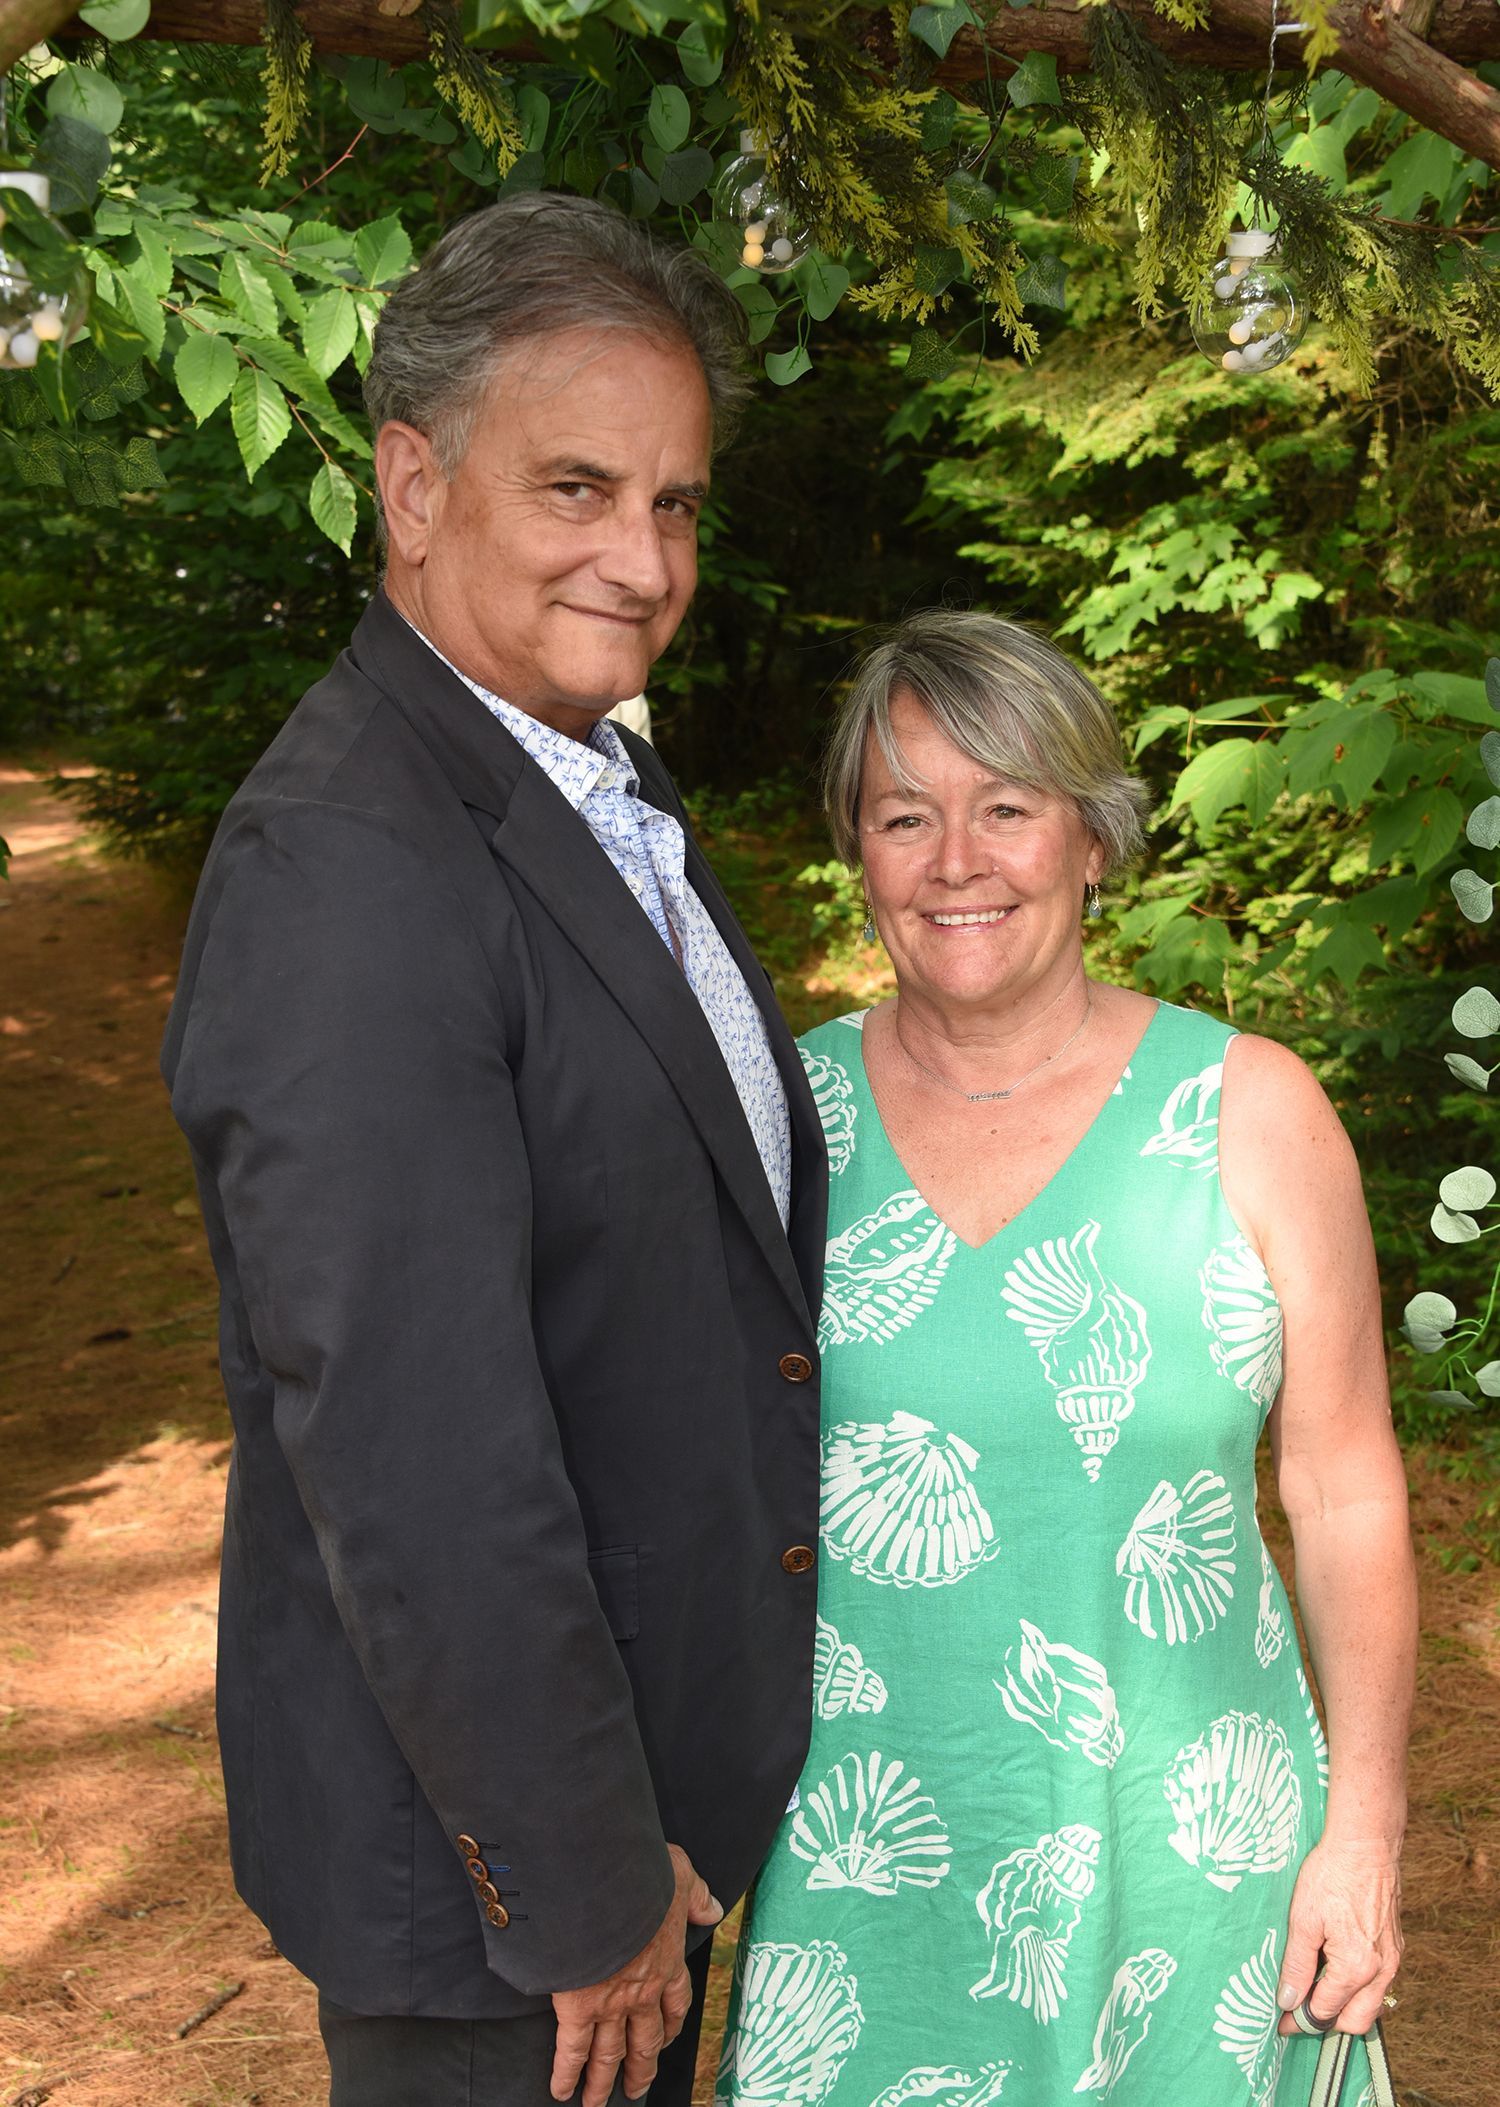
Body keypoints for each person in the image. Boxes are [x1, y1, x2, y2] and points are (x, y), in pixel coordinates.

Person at [161, 195, 828, 2107]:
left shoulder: (571, 765)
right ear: (412, 482)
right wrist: (583, 1880)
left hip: (648, 1812)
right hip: (509, 1909)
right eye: (578, 489)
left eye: (678, 503)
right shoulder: (347, 870)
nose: (643, 559)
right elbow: (408, 1436)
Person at [716, 610, 1416, 2107]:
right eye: (907, 815)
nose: (957, 859)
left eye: (1008, 808)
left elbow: (1346, 1487)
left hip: (1198, 1881)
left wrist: (1362, 1836)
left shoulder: (1252, 1114)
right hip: (864, 1881)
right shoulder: (782, 1128)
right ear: (862, 851)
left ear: (1092, 841)